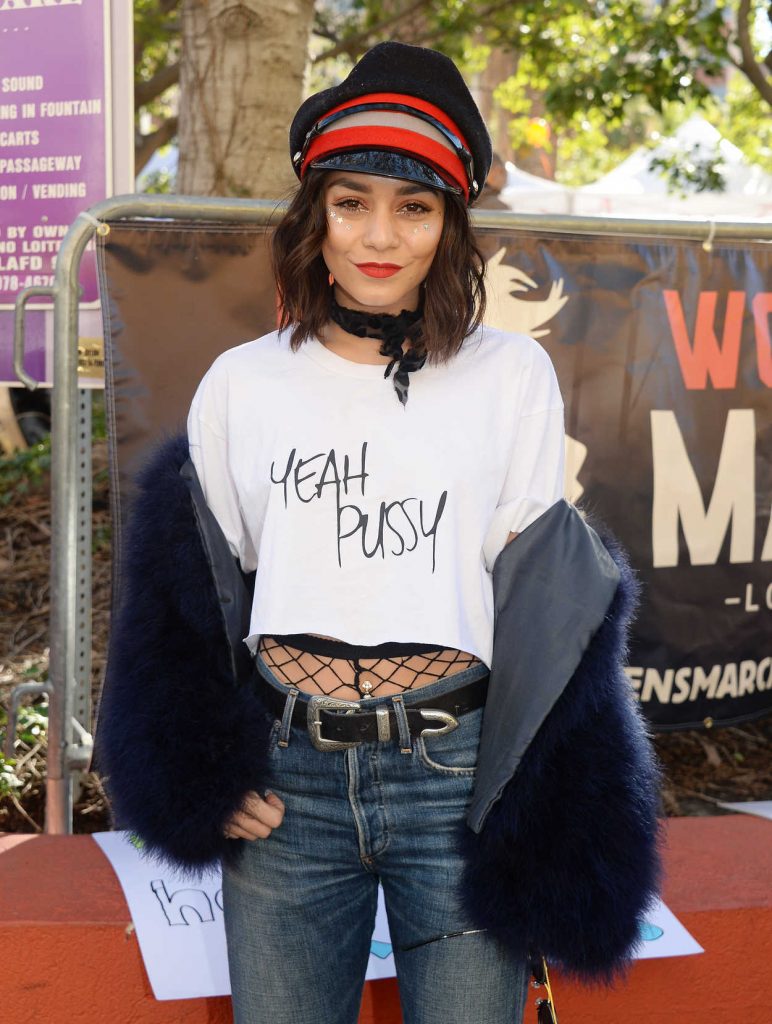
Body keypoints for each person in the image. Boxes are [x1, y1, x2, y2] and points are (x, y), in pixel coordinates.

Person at [98, 42, 663, 1024]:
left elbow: (542, 608)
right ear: (312, 215)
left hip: (453, 777)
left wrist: (536, 806)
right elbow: (188, 600)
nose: (379, 233)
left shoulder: (509, 375)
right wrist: (200, 773)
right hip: (287, 784)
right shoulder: (243, 380)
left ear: (449, 225)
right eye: (351, 200)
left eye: (414, 206)